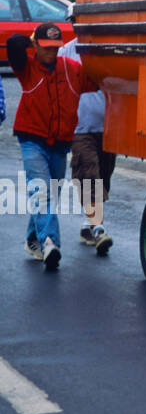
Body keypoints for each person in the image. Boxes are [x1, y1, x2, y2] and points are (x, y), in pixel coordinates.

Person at [7, 22, 100, 271]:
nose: (51, 52)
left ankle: (32, 240)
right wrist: (31, 40)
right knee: (42, 192)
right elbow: (13, 44)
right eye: (45, 47)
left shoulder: (72, 70)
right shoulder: (26, 68)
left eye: (55, 47)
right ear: (36, 45)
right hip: (31, 140)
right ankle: (50, 243)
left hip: (60, 144)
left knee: (51, 195)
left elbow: (99, 80)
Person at [58, 38, 113, 254]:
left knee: (103, 178)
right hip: (80, 127)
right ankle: (98, 228)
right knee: (89, 175)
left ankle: (87, 224)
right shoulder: (65, 52)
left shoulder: (108, 47)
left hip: (108, 127)